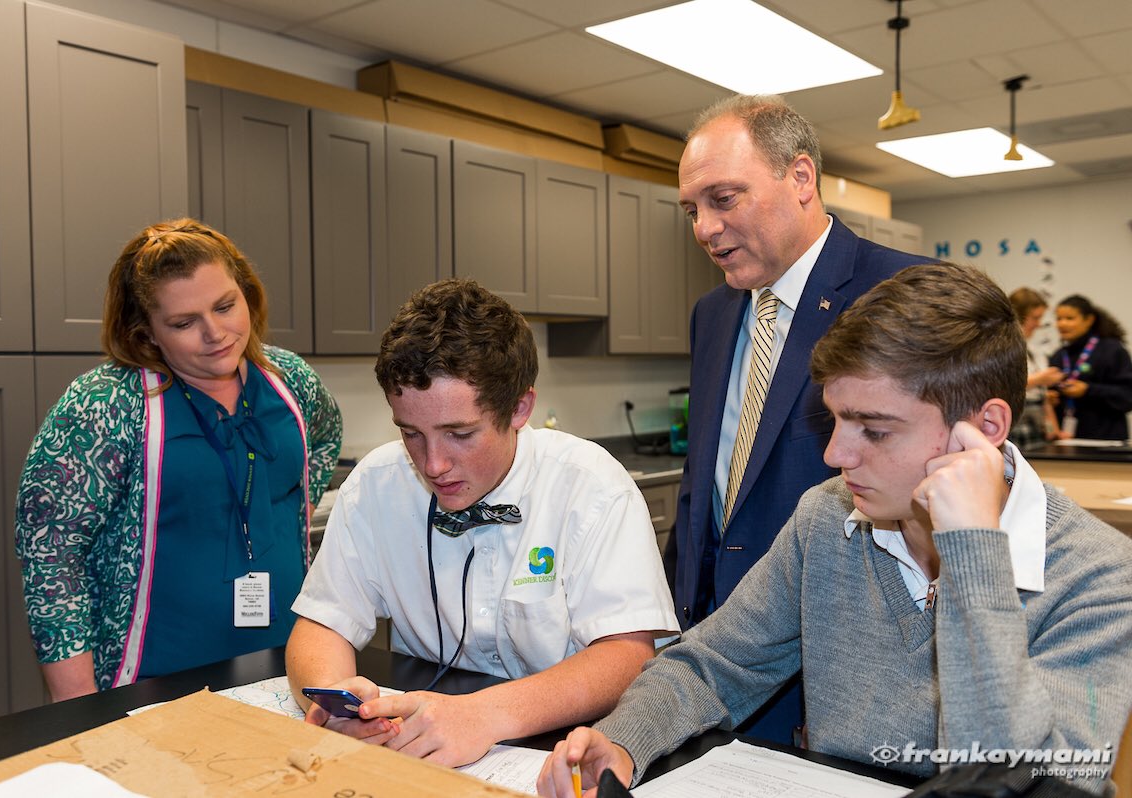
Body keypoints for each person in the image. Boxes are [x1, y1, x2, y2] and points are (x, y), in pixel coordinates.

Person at [537, 262, 1132, 798]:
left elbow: (1015, 779)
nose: (834, 455)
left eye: (872, 429)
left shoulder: (1100, 575)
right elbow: (714, 665)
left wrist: (972, 554)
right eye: (835, 419)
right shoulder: (828, 517)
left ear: (986, 428)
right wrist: (623, 742)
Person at [286, 278, 679, 768]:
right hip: (425, 746)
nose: (432, 465)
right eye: (411, 434)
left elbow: (628, 655)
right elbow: (322, 622)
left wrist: (483, 715)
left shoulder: (592, 486)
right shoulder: (375, 486)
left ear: (519, 408)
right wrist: (336, 700)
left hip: (571, 748)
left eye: (460, 434)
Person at [668, 93, 928, 740]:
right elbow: (705, 477)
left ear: (802, 178)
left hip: (836, 668)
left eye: (723, 199)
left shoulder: (903, 294)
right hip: (714, 653)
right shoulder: (713, 314)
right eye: (692, 210)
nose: (703, 227)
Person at [16, 218, 342, 701]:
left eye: (226, 306)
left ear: (246, 294)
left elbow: (324, 442)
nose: (215, 333)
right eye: (184, 323)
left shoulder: (290, 379)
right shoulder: (103, 404)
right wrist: (78, 710)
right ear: (145, 330)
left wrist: (259, 517)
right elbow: (52, 555)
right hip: (152, 680)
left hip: (291, 663)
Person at [1048, 294, 1132, 441]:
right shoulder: (1058, 356)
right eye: (1059, 319)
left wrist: (1088, 390)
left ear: (1089, 320)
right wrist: (1051, 398)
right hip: (1066, 440)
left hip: (1106, 442)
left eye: (1069, 318)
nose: (1062, 324)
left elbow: (1127, 396)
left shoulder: (1112, 350)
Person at [1007, 287, 1062, 448]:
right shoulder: (1000, 349)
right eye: (1035, 318)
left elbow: (1043, 397)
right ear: (1018, 315)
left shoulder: (1035, 350)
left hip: (1037, 422)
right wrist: (1040, 379)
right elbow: (1001, 385)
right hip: (1015, 420)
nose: (1038, 325)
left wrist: (1054, 429)